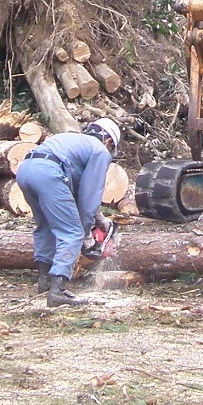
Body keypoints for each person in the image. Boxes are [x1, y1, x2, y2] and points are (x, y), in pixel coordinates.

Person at [14, 117, 119, 306]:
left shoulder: (75, 142)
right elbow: (90, 195)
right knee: (72, 232)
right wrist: (86, 234)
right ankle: (58, 291)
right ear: (109, 141)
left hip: (26, 170)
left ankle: (44, 281)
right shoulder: (101, 150)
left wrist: (98, 217)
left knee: (46, 225)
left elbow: (77, 192)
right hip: (48, 173)